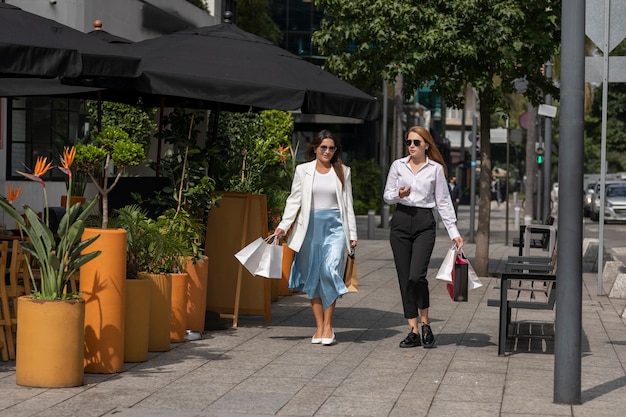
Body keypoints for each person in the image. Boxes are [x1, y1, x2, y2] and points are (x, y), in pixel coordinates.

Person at [274, 129, 357, 346]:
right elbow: (294, 201)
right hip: (309, 228)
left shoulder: (343, 171)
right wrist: (283, 226)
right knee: (314, 278)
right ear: (315, 149)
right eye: (323, 147)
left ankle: (328, 327)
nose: (327, 151)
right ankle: (319, 326)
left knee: (330, 272)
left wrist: (353, 235)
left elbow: (348, 205)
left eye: (331, 148)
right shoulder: (303, 171)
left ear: (335, 150)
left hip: (336, 228)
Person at [383, 126, 463, 349]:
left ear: (426, 144)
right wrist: (398, 194)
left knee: (416, 276)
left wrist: (454, 232)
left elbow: (444, 202)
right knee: (404, 278)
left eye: (417, 142)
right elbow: (387, 196)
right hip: (400, 222)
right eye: (409, 142)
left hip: (424, 222)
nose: (411, 146)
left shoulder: (435, 169)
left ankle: (426, 323)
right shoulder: (398, 166)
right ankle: (413, 330)